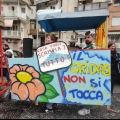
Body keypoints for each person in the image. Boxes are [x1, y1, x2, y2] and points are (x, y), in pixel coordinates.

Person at [78, 31, 97, 116]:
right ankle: (86, 106)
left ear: (93, 38)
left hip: (89, 74)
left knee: (87, 90)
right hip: (86, 73)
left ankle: (87, 109)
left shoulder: (92, 48)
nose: (87, 39)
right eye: (86, 38)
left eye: (88, 37)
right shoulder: (87, 47)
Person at [42, 33, 57, 113]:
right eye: (47, 38)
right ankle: (50, 104)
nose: (47, 39)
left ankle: (49, 106)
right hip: (47, 71)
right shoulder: (46, 48)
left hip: (53, 72)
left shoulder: (54, 48)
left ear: (52, 40)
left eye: (49, 38)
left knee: (51, 88)